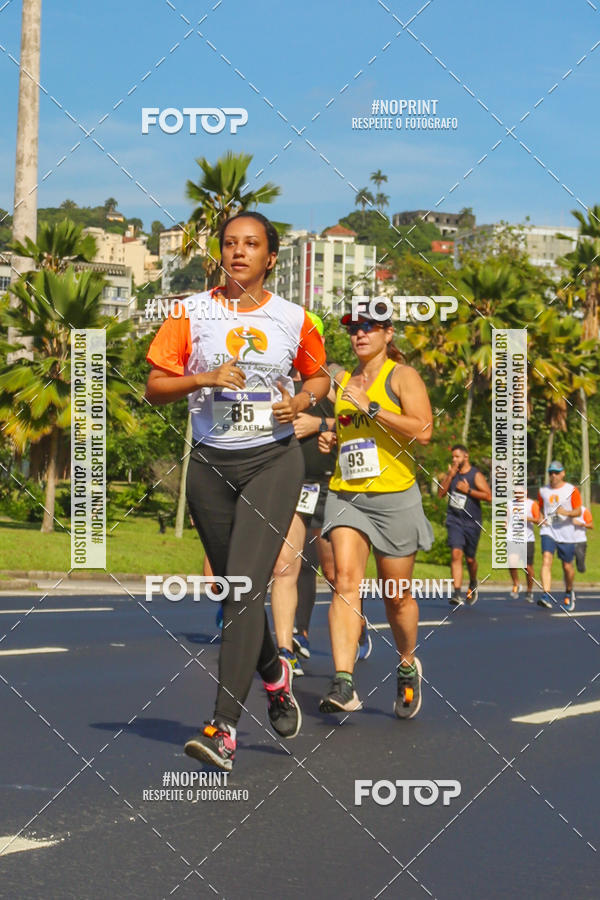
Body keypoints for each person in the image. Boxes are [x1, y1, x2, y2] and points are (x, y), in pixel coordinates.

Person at [145, 211, 329, 770]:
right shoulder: (189, 312)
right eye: (230, 243)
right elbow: (156, 387)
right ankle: (275, 673)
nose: (239, 252)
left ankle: (222, 728)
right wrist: (202, 378)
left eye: (251, 244)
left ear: (271, 257)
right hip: (210, 467)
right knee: (234, 592)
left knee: (248, 587)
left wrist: (300, 402)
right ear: (220, 253)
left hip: (273, 462)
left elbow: (318, 375)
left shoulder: (295, 317)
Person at [317, 302, 434, 718]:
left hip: (394, 498)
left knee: (395, 597)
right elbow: (352, 430)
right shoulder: (345, 379)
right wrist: (332, 436)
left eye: (369, 327)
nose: (360, 334)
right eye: (353, 328)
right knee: (345, 582)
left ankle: (406, 663)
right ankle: (344, 683)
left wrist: (371, 406)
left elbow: (423, 430)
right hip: (347, 495)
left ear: (388, 334)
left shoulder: (402, 376)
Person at [270, 344, 339, 675]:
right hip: (291, 484)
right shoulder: (273, 377)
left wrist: (320, 425)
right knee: (288, 566)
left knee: (335, 572)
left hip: (328, 484)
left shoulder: (331, 377)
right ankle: (290, 647)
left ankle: (358, 623)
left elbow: (359, 421)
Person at [437, 444, 491, 606]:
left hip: (471, 522)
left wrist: (468, 491)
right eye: (452, 456)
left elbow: (488, 496)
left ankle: (473, 581)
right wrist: (450, 475)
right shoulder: (451, 474)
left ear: (466, 457)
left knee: (470, 559)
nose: (454, 459)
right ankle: (457, 593)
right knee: (456, 553)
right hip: (454, 520)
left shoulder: (475, 475)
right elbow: (440, 494)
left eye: (457, 456)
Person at [537, 461, 582, 611]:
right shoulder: (543, 491)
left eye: (556, 472)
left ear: (563, 473)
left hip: (566, 533)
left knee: (567, 566)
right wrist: (540, 517)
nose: (553, 475)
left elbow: (578, 511)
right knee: (546, 559)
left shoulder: (571, 490)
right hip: (549, 530)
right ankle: (546, 594)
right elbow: (540, 508)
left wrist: (566, 513)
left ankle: (569, 591)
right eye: (551, 473)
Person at [508, 491, 540, 603]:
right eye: (515, 492)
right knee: (512, 562)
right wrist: (504, 525)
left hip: (527, 539)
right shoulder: (510, 503)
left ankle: (529, 590)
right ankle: (516, 583)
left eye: (520, 492)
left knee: (527, 567)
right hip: (513, 538)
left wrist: (527, 518)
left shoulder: (531, 504)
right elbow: (506, 518)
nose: (517, 494)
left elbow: (538, 520)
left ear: (526, 492)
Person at [573, 504, 593, 574]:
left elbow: (591, 525)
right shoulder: (565, 509)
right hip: (567, 541)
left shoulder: (584, 510)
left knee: (580, 567)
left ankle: (581, 571)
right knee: (567, 564)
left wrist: (580, 523)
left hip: (580, 541)